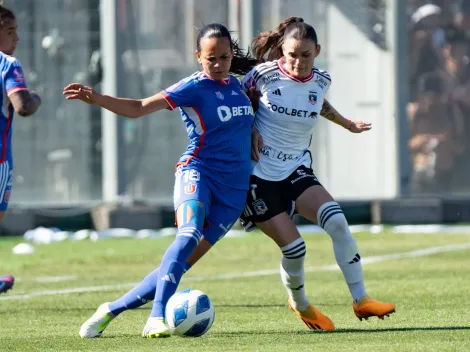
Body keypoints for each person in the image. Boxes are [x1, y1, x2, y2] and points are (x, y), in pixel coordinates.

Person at [64, 23, 257, 338]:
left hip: (233, 193)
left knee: (180, 266)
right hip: (199, 172)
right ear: (198, 56)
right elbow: (140, 107)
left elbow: (243, 120)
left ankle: (109, 310)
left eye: (224, 57)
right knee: (189, 232)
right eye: (212, 59)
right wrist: (98, 98)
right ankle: (156, 318)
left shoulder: (239, 87)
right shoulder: (192, 87)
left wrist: (254, 130)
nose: (219, 64)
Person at [238, 17, 395, 330]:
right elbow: (234, 104)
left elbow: (316, 103)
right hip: (258, 178)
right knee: (296, 249)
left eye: (306, 55)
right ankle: (301, 305)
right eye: (292, 54)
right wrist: (250, 128)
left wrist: (346, 123)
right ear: (282, 50)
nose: (298, 62)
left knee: (337, 221)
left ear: (317, 51)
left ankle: (361, 300)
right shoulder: (262, 76)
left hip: (295, 169)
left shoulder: (321, 80)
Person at [0, 5, 42, 293]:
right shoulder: (7, 64)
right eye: (10, 32)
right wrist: (35, 97)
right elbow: (23, 106)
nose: (17, 39)